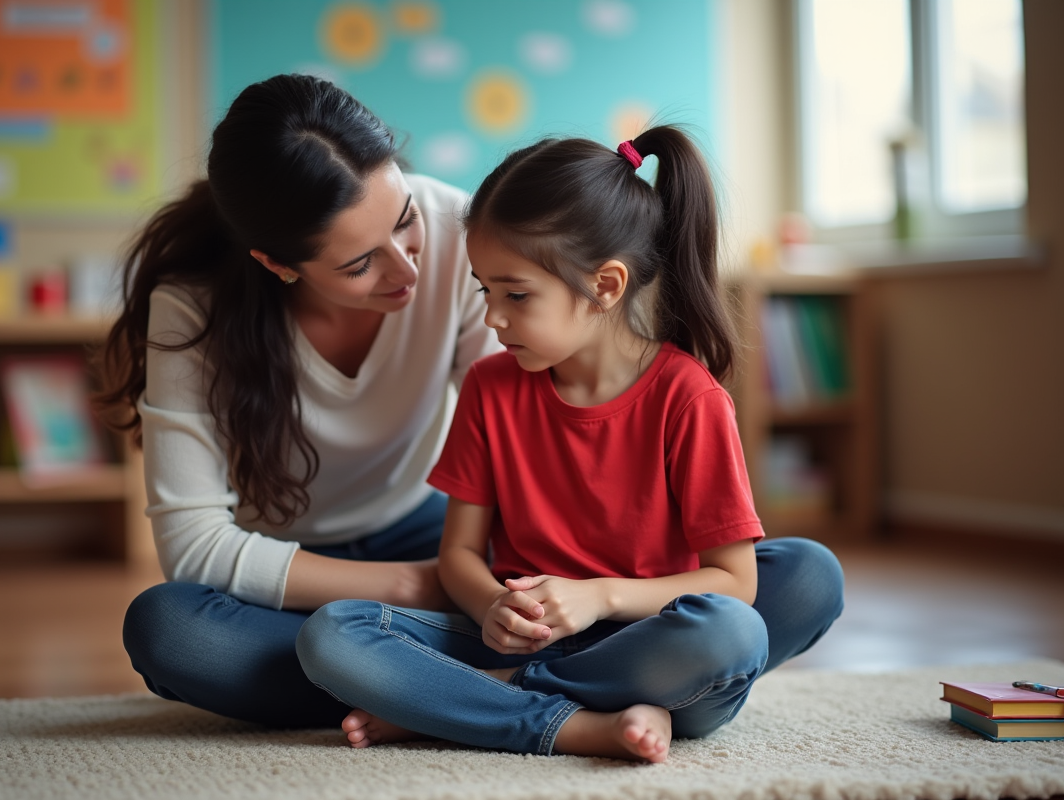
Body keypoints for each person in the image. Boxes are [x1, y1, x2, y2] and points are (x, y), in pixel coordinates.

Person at [296, 128, 845, 761]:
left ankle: (472, 701)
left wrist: (599, 596)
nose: (493, 318)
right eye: (485, 291)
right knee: (332, 633)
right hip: (524, 635)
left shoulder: (689, 400)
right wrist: (494, 604)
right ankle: (589, 714)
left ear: (606, 286)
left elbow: (734, 581)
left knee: (767, 606)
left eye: (517, 295)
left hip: (649, 630)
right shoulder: (489, 386)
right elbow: (459, 556)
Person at [94, 73, 500, 728]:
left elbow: (520, 445)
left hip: (431, 531)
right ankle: (449, 671)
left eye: (405, 223)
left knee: (551, 579)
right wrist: (418, 586)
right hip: (286, 575)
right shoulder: (192, 307)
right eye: (361, 263)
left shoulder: (461, 235)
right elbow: (194, 546)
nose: (408, 271)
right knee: (169, 632)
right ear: (279, 264)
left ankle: (381, 676)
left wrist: (475, 571)